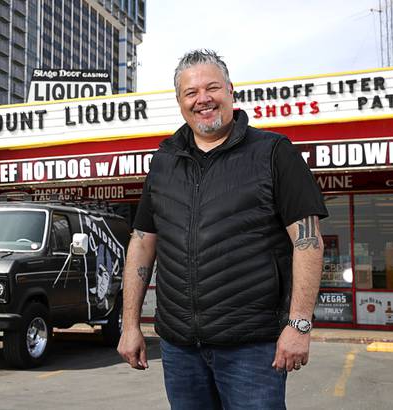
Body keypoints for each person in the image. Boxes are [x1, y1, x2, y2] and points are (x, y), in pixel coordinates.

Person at [117, 49, 328, 409]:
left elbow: (308, 243)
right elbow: (142, 243)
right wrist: (130, 324)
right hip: (180, 349)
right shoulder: (164, 161)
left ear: (231, 91)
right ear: (180, 102)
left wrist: (300, 325)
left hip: (253, 349)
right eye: (191, 92)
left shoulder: (274, 152)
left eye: (212, 88)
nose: (203, 99)